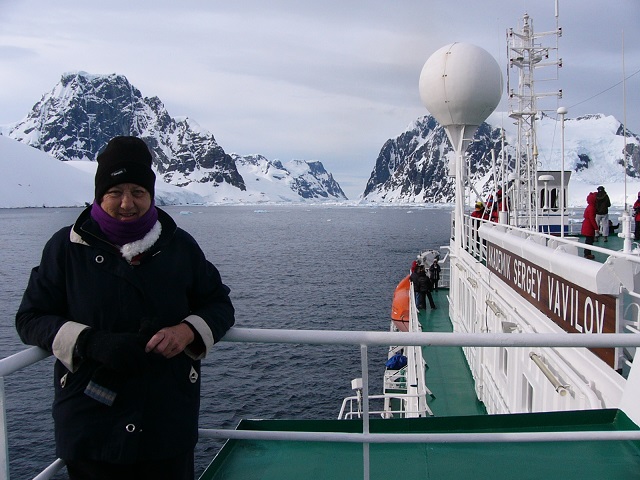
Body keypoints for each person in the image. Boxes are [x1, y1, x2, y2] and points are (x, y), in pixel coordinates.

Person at [15, 136, 236, 479]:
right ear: (99, 195)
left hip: (166, 421)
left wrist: (188, 330)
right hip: (92, 423)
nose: (127, 203)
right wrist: (90, 342)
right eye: (115, 191)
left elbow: (219, 303)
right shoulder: (65, 249)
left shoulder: (179, 247)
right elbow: (31, 318)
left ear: (151, 194)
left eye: (138, 191)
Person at [581, 191, 598, 260]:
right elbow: (592, 219)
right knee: (589, 241)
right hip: (589, 227)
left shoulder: (589, 206)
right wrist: (596, 228)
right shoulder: (592, 208)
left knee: (588, 240)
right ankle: (587, 254)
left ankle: (587, 253)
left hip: (587, 225)